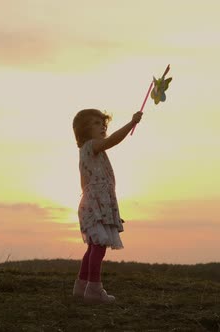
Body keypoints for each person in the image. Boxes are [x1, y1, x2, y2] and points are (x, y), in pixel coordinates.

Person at [71, 108, 143, 304]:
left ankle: (82, 286)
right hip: (95, 206)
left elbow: (85, 182)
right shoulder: (91, 146)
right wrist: (131, 123)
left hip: (93, 205)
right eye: (95, 123)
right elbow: (112, 141)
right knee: (98, 248)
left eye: (103, 123)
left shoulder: (88, 151)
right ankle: (94, 289)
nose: (102, 126)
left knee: (93, 247)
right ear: (84, 130)